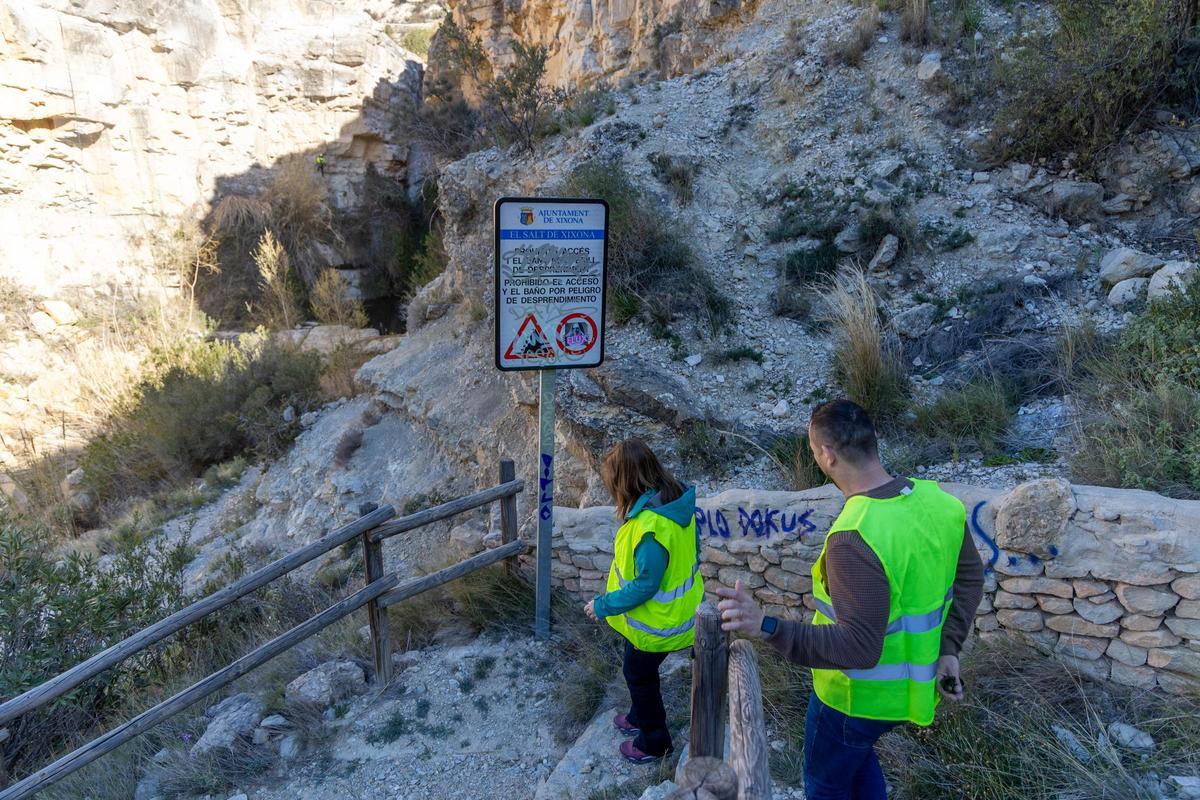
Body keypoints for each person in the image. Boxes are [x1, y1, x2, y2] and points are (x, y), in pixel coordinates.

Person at [716, 399, 984, 800]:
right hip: (912, 690)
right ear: (873, 441)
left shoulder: (855, 537)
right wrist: (949, 647)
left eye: (812, 451)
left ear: (826, 455)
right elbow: (971, 575)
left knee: (827, 783)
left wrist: (765, 626)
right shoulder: (939, 504)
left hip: (853, 699)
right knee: (856, 760)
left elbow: (858, 647)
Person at [585, 438, 704, 764]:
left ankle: (655, 741)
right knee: (636, 666)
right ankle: (638, 715)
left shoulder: (650, 527)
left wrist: (603, 605)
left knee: (639, 674)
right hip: (675, 611)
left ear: (625, 481)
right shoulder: (674, 500)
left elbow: (645, 585)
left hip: (659, 620)